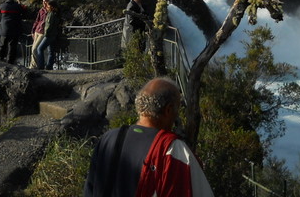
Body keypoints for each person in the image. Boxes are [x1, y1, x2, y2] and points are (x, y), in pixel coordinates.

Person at [83, 77, 214, 197]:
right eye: (177, 109)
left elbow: (89, 189)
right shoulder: (173, 149)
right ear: (168, 110)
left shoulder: (108, 138)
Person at [0, 0, 25, 64]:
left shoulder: (2, 6)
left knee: (2, 45)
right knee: (12, 47)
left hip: (4, 29)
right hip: (14, 29)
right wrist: (20, 3)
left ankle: (0, 59)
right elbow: (24, 11)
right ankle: (10, 61)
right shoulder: (17, 6)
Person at [35, 0, 62, 70]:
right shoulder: (57, 13)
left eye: (48, 6)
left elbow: (48, 26)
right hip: (54, 35)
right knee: (51, 52)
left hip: (49, 35)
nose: (46, 7)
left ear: (51, 7)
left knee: (39, 49)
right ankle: (49, 67)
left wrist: (45, 34)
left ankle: (40, 66)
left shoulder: (51, 14)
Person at [28, 0, 49, 68]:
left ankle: (34, 67)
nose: (44, 3)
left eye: (45, 1)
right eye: (43, 1)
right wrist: (33, 31)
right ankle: (32, 66)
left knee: (35, 49)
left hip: (43, 32)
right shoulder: (41, 10)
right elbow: (37, 21)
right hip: (37, 31)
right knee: (33, 49)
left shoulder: (50, 11)